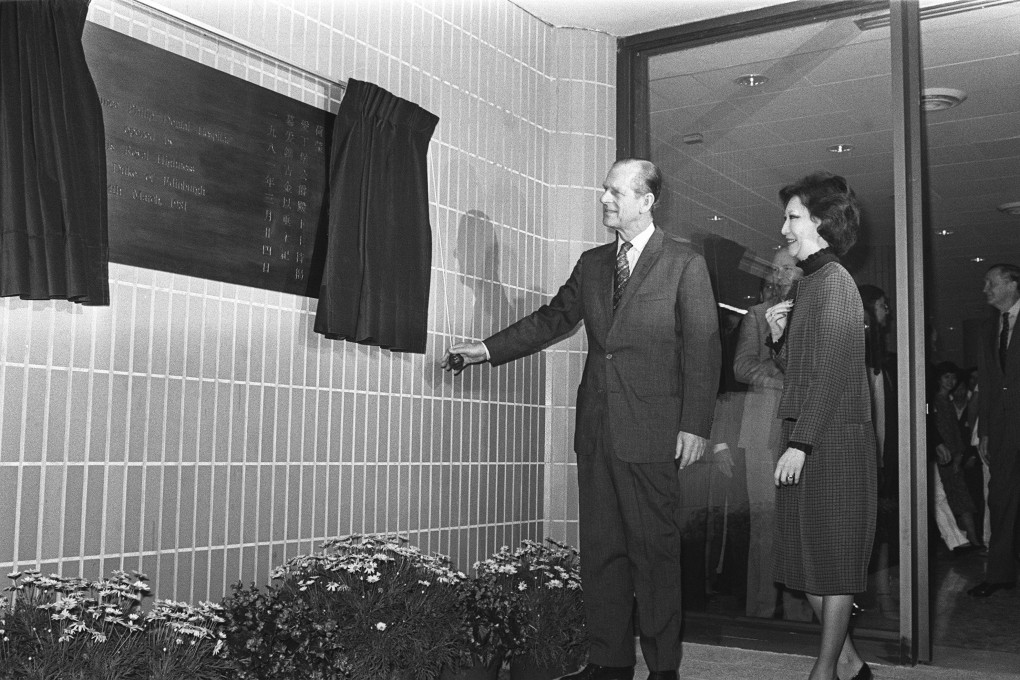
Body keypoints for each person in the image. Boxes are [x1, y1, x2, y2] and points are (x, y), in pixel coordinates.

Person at [442, 158, 721, 680]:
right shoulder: (593, 264)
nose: (605, 199)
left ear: (646, 200)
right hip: (596, 431)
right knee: (602, 554)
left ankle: (663, 670)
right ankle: (608, 662)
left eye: (616, 191)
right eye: (604, 190)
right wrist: (487, 348)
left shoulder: (684, 263)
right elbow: (553, 318)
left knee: (655, 557)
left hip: (653, 434)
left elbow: (704, 349)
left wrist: (696, 425)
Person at [764, 172, 876, 680]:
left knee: (833, 557)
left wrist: (801, 443)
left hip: (832, 442)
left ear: (821, 224)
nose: (784, 227)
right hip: (809, 436)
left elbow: (833, 373)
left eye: (792, 216)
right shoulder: (810, 283)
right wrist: (779, 339)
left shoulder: (836, 284)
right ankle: (851, 665)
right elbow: (803, 373)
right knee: (806, 555)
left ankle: (825, 670)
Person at [733, 246, 812, 621]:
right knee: (765, 527)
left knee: (799, 527)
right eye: (776, 269)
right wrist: (786, 379)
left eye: (789, 269)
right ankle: (760, 614)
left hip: (802, 433)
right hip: (763, 430)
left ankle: (800, 617)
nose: (781, 276)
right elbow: (741, 368)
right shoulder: (757, 316)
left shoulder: (813, 315)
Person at [970, 263, 1020, 597]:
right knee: (1001, 499)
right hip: (1001, 433)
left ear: (1014, 284)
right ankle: (999, 574)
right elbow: (988, 385)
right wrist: (985, 432)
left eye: (992, 282)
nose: (986, 289)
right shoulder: (988, 328)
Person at [858, 284, 898, 618]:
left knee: (881, 530)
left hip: (879, 461)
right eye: (883, 305)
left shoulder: (880, 359)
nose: (887, 311)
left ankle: (881, 594)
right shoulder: (856, 356)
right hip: (861, 461)